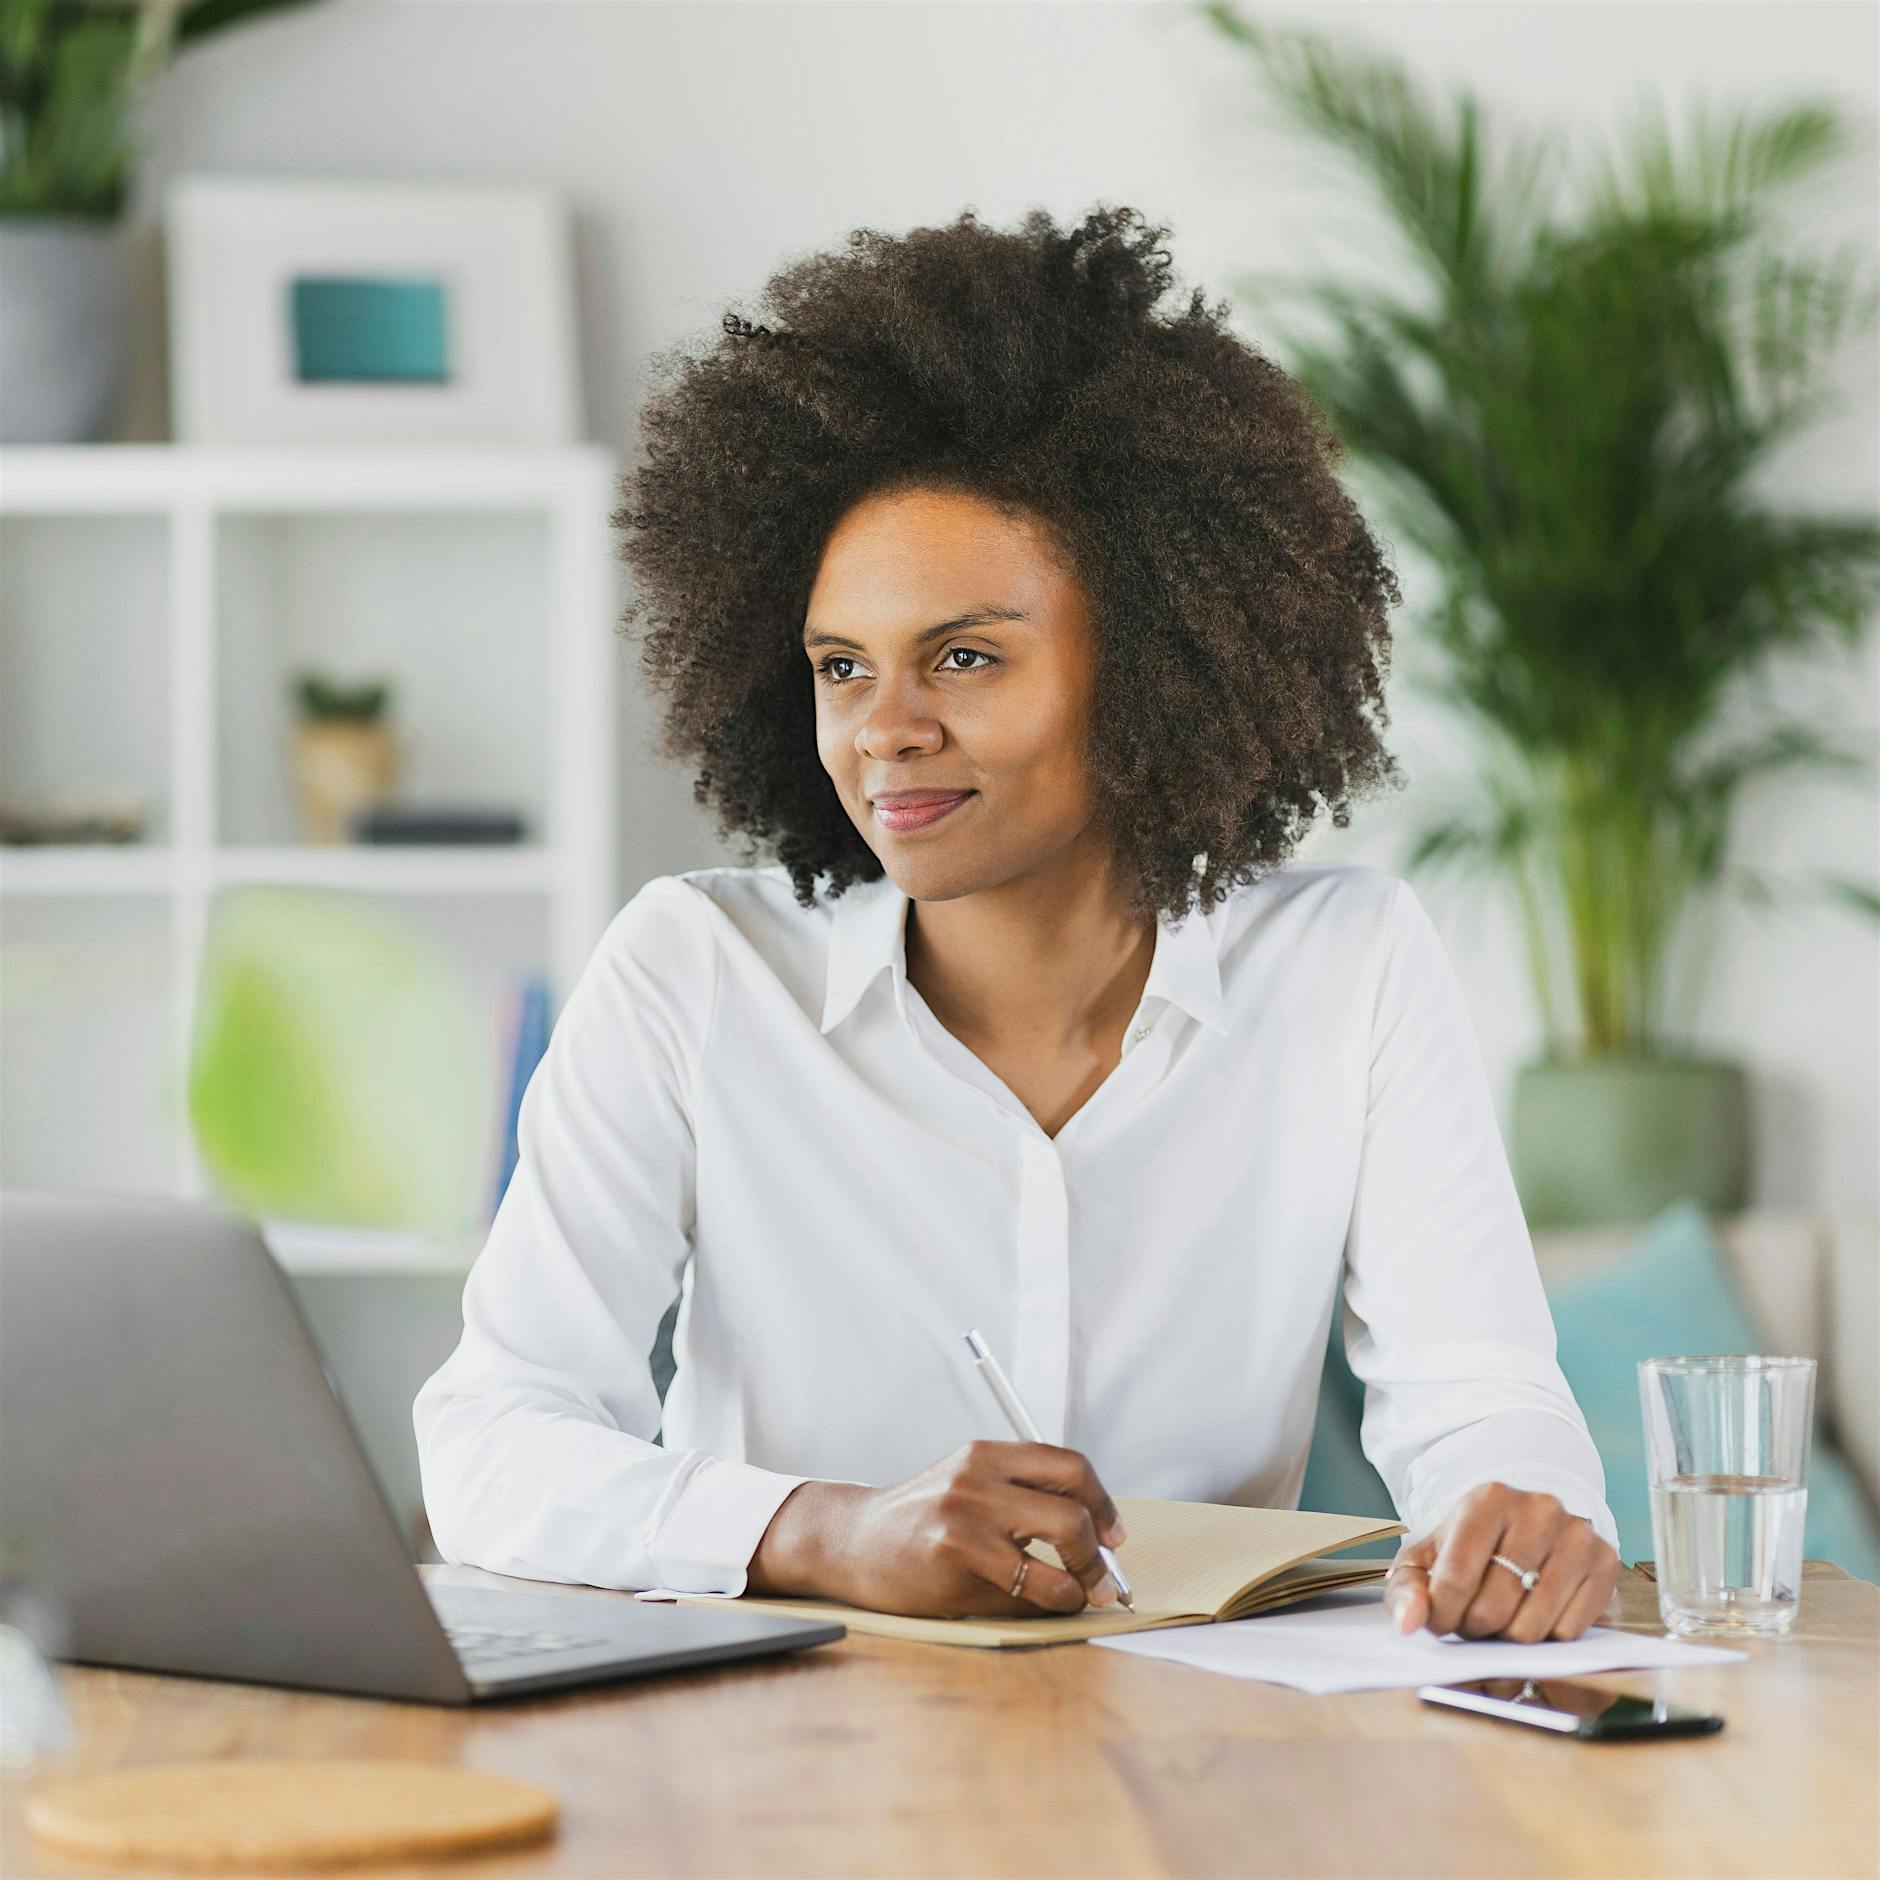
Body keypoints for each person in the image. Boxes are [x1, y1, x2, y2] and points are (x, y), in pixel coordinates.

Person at [414, 204, 1620, 1643]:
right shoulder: (696, 971)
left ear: (1158, 661)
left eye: (966, 658)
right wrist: (827, 1530)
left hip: (1215, 1759)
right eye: (842, 668)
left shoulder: (1347, 968)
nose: (884, 733)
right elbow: (490, 1439)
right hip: (784, 1762)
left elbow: (1481, 1393)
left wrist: (1520, 1507)